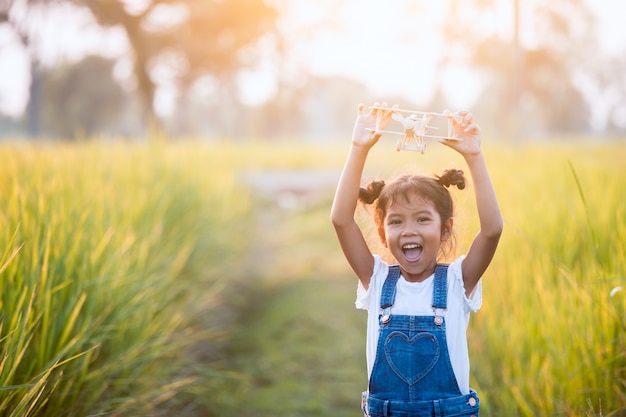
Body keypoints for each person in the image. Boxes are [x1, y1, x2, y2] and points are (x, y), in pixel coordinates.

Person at [330, 102, 503, 417]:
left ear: (445, 229)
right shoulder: (376, 279)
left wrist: (474, 157)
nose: (408, 230)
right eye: (396, 222)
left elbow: (492, 230)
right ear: (382, 234)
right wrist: (358, 148)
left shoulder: (458, 281)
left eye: (423, 219)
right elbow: (342, 220)